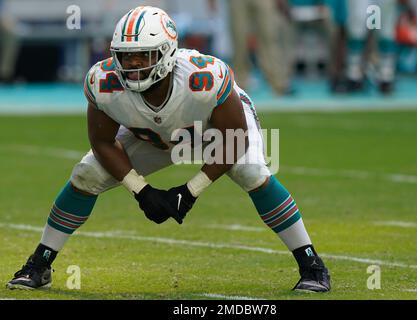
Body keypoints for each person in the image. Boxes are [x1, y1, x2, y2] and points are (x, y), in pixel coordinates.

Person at [6, 6, 330, 293]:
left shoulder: (205, 78)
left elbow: (235, 140)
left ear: (166, 52)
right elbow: (103, 142)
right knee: (87, 173)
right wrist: (142, 191)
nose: (131, 65)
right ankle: (40, 263)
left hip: (213, 130)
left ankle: (311, 264)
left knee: (251, 170)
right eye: (125, 56)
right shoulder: (103, 82)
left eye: (141, 56)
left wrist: (189, 191)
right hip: (154, 137)